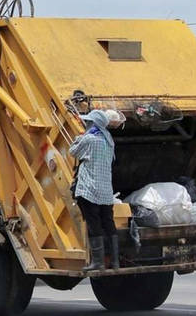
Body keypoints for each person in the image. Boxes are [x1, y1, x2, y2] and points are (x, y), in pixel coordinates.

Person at [69, 109, 124, 271]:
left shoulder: (90, 139)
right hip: (106, 191)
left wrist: (79, 138)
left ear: (93, 124)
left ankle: (98, 262)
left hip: (89, 190)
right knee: (108, 223)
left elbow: (73, 151)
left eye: (88, 122)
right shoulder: (109, 141)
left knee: (94, 225)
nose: (86, 124)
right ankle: (115, 261)